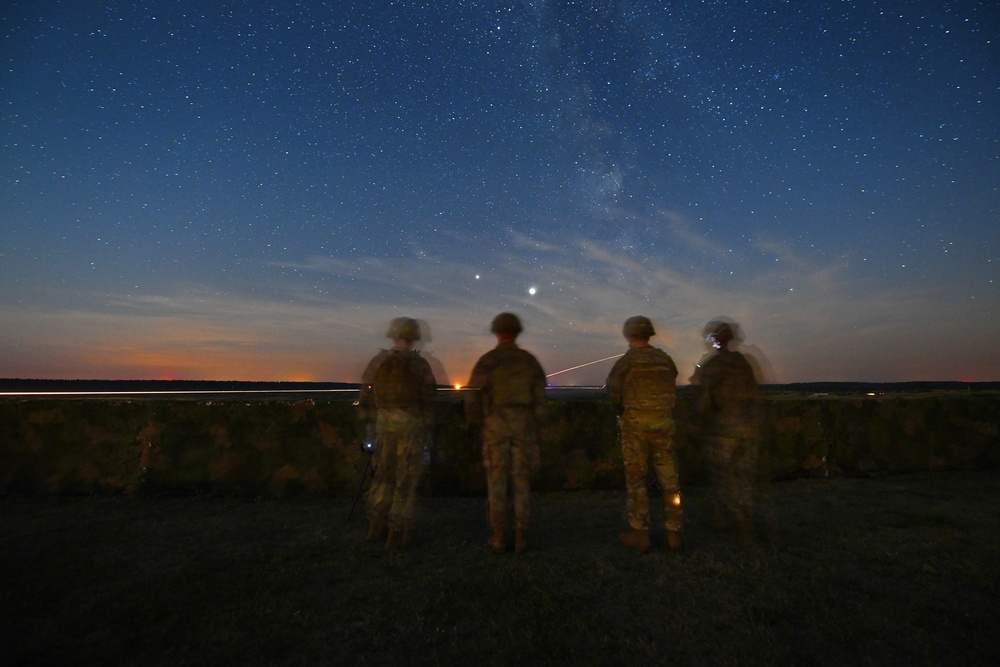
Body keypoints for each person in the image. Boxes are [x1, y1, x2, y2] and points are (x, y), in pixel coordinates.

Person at [464, 312, 547, 554]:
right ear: (517, 332)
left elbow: (472, 397)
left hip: (496, 427)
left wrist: (479, 423)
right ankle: (520, 536)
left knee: (496, 483)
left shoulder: (488, 361)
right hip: (523, 429)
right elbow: (541, 401)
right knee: (521, 481)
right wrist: (536, 425)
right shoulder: (528, 362)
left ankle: (499, 536)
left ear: (497, 332)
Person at [357, 317, 437, 550]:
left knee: (382, 478)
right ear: (414, 338)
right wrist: (427, 432)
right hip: (411, 430)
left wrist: (372, 427)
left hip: (384, 429)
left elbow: (365, 399)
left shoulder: (378, 362)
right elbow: (429, 401)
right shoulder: (420, 365)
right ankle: (396, 532)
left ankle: (375, 524)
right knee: (404, 482)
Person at [605, 316, 682, 552]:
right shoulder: (665, 360)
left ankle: (640, 533)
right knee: (670, 481)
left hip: (636, 429)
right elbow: (672, 382)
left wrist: (623, 412)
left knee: (637, 480)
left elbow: (614, 392)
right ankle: (674, 534)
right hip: (664, 426)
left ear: (629, 336)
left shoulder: (626, 362)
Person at [690, 318, 760, 541]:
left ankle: (732, 521)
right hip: (747, 428)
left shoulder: (713, 365)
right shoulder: (744, 363)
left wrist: (697, 421)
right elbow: (753, 394)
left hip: (723, 430)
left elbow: (704, 400)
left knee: (723, 476)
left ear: (715, 341)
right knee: (744, 476)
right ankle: (745, 518)